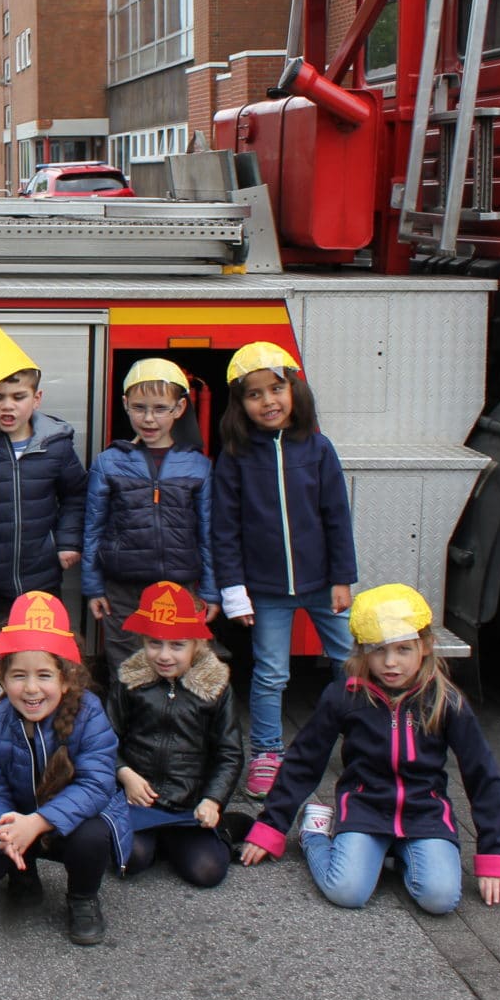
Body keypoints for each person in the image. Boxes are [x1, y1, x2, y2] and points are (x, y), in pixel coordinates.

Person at [241, 584, 500, 915]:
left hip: (424, 815)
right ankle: (314, 832)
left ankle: (401, 855)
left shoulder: (446, 701)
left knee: (440, 899)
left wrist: (493, 854)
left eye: (403, 650)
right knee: (347, 892)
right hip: (363, 810)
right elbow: (303, 761)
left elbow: (482, 775)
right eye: (378, 650)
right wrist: (271, 825)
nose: (390, 663)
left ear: (424, 647)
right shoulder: (345, 696)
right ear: (361, 651)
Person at [211, 341, 358, 798]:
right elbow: (224, 527)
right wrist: (234, 589)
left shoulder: (317, 448)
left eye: (276, 389)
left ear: (294, 390)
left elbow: (337, 515)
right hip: (266, 590)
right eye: (254, 394)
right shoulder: (234, 456)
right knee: (271, 673)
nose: (267, 401)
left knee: (349, 664)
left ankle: (364, 739)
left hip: (322, 585)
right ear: (240, 405)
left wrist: (341, 577)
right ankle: (267, 753)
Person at [0, 591, 130, 946]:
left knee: (94, 836)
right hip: (21, 820)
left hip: (71, 825)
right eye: (19, 675)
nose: (31, 689)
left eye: (44, 675)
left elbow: (97, 786)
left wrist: (38, 822)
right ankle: (23, 870)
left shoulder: (90, 713)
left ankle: (82, 897)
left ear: (65, 680)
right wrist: (5, 831)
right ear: (2, 677)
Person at [0, 326, 86, 658]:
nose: (7, 407)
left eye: (18, 397)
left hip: (43, 579)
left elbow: (76, 495)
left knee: (43, 653)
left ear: (36, 398)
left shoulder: (56, 446)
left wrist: (66, 541)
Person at [82, 357, 216, 679]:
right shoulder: (109, 462)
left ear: (180, 408)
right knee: (127, 667)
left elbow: (208, 532)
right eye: (140, 407)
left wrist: (210, 590)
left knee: (175, 666)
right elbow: (93, 528)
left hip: (180, 588)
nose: (149, 418)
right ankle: (126, 729)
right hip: (122, 590)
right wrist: (93, 586)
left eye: (160, 408)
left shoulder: (198, 466)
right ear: (125, 404)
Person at [107, 582, 244, 888]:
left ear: (197, 644)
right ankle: (157, 839)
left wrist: (212, 800)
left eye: (177, 645)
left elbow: (229, 752)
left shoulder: (216, 687)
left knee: (208, 872)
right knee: (129, 859)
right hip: (138, 800)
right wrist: (124, 773)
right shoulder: (129, 681)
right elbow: (105, 738)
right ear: (143, 640)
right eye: (154, 644)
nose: (164, 655)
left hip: (189, 803)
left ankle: (220, 829)